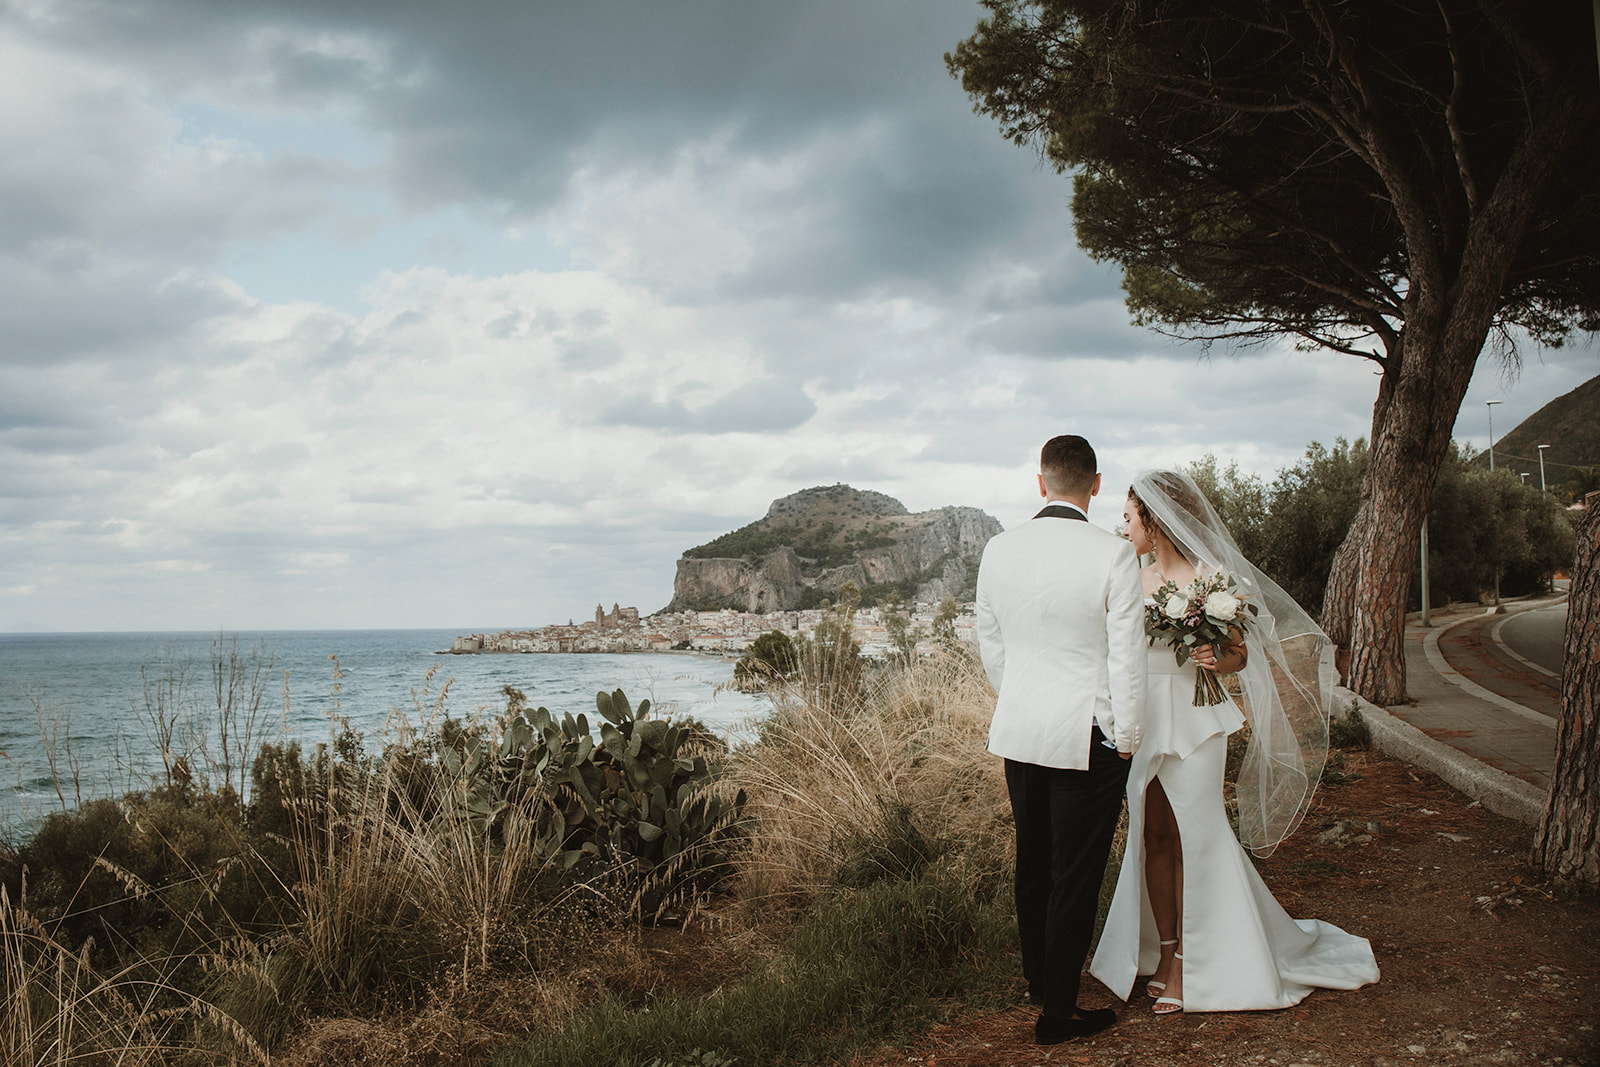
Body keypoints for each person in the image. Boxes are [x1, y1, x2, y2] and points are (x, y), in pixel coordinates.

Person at [1089, 469, 1379, 1014]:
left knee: (1195, 835)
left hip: (1197, 719)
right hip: (1143, 718)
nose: (1124, 527)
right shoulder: (1128, 575)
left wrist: (1211, 659)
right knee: (1151, 837)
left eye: (1130, 517)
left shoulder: (1212, 578)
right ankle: (1167, 951)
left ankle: (1195, 966)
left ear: (1156, 520)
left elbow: (1238, 657)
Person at [975, 435, 1146, 1045]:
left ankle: (1042, 986)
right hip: (1090, 734)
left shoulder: (999, 549)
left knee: (1034, 862)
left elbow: (990, 643)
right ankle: (1057, 1016)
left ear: (1040, 482)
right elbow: (1126, 658)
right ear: (1095, 484)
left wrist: (1022, 694)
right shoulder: (1113, 555)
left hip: (1021, 730)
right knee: (1075, 873)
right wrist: (1127, 737)